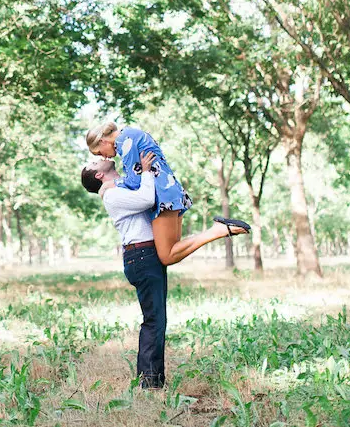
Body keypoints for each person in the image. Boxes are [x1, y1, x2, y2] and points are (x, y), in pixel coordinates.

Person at [81, 149, 250, 389]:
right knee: (154, 321)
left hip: (146, 254)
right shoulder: (111, 196)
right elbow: (147, 200)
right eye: (95, 161)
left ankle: (152, 381)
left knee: (157, 320)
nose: (101, 157)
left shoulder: (118, 188)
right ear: (98, 175)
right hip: (141, 257)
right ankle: (150, 384)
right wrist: (148, 172)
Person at [85, 120, 250, 266]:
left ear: (102, 141)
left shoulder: (124, 142)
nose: (104, 157)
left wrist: (112, 183)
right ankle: (219, 230)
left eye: (99, 152)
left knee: (167, 256)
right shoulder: (131, 134)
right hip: (170, 191)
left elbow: (136, 181)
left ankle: (218, 230)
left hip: (162, 196)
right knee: (174, 249)